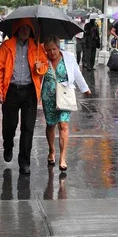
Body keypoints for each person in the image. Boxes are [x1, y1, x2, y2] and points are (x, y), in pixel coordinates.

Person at [0, 19, 48, 175]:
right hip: (11, 91)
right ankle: (8, 145)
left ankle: (24, 162)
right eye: (22, 28)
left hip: (30, 92)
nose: (24, 30)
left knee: (28, 128)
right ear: (16, 30)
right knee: (10, 125)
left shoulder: (36, 47)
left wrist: (40, 67)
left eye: (27, 28)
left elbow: (44, 66)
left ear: (31, 31)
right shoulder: (7, 46)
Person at [41, 35, 91, 171]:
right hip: (48, 96)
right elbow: (37, 75)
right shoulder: (43, 59)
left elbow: (76, 73)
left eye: (54, 49)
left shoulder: (68, 57)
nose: (52, 53)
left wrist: (85, 88)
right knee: (50, 124)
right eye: (48, 50)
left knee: (63, 125)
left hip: (64, 95)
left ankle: (63, 158)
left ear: (59, 47)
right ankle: (52, 151)